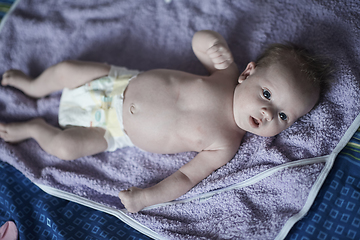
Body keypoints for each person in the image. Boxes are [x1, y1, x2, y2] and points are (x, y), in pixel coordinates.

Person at [0, 30, 327, 213]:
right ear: (247, 73)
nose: (269, 113)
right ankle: (31, 86)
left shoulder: (226, 143)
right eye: (267, 95)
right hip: (114, 82)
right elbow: (199, 42)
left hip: (113, 130)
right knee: (66, 70)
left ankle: (34, 128)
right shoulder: (227, 74)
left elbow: (185, 177)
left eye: (283, 116)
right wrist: (212, 45)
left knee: (64, 148)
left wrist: (147, 197)